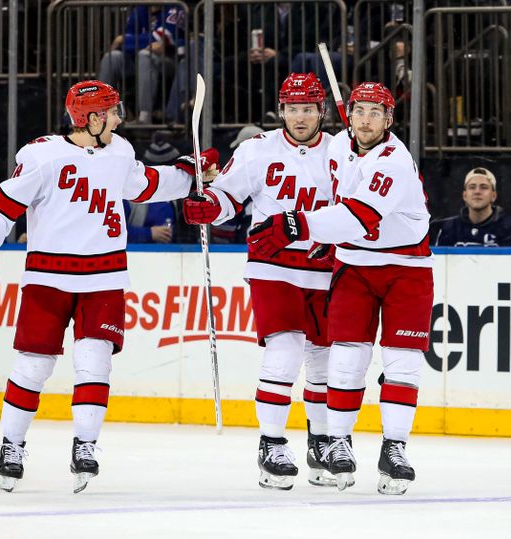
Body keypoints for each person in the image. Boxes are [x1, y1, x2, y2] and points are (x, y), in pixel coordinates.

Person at [0, 80, 218, 493]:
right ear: (93, 118)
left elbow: (145, 185)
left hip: (105, 279)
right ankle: (11, 445)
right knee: (33, 366)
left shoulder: (119, 151)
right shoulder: (42, 154)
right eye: (113, 112)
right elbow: (4, 202)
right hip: (48, 278)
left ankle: (85, 444)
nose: (119, 118)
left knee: (95, 361)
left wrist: (188, 174)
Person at [247, 82, 433, 495]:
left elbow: (358, 217)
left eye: (375, 112)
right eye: (360, 110)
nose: (366, 120)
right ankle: (338, 442)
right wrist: (322, 240)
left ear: (389, 120)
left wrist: (295, 224)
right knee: (346, 358)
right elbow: (334, 201)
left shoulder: (394, 161)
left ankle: (395, 448)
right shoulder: (336, 147)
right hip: (353, 265)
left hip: (406, 267)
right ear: (348, 114)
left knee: (403, 362)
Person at [182, 73, 335, 490]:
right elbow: (228, 198)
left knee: (323, 359)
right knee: (285, 350)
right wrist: (207, 206)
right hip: (273, 266)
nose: (299, 117)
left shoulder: (341, 152)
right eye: (292, 108)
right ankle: (272, 443)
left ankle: (321, 440)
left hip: (325, 267)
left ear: (321, 110)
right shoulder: (258, 150)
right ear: (281, 110)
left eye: (307, 109)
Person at [97, 5, 185, 124]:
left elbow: (162, 37)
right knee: (112, 57)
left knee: (145, 55)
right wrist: (128, 41)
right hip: (137, 60)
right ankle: (103, 114)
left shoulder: (175, 7)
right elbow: (124, 44)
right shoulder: (140, 9)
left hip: (170, 61)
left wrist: (125, 40)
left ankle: (144, 117)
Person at [433, 167, 511, 247]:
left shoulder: (509, 229)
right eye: (472, 187)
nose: (477, 192)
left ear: (493, 196)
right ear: (465, 195)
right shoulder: (450, 228)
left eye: (484, 187)